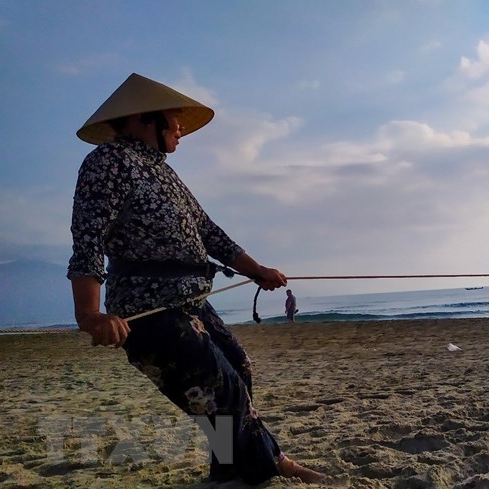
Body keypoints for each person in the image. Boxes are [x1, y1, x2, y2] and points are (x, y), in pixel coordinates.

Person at [67, 73, 325, 484]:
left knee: (238, 368)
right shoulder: (107, 162)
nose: (181, 127)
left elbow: (208, 233)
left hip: (190, 301)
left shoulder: (163, 173)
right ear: (144, 117)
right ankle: (274, 466)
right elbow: (88, 239)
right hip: (146, 308)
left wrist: (256, 270)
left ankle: (225, 471)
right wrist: (90, 314)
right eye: (174, 117)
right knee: (220, 388)